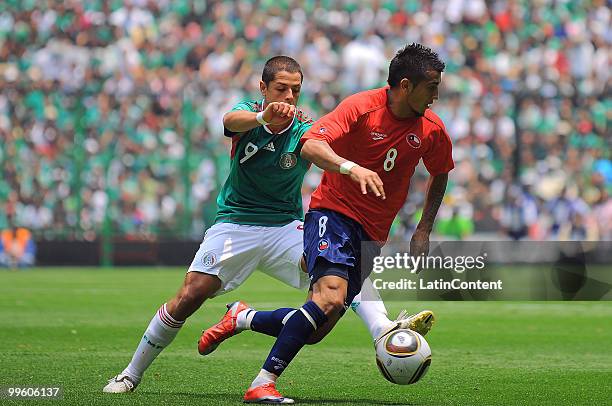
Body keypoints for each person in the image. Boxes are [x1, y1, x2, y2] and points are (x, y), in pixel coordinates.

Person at [103, 55, 433, 394]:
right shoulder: (248, 114)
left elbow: (322, 146)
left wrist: (355, 165)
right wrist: (263, 116)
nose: (289, 98)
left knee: (333, 287)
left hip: (285, 228)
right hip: (235, 224)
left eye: (296, 91)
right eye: (281, 89)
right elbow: (229, 121)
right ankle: (130, 374)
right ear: (263, 88)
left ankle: (381, 327)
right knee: (190, 295)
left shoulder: (305, 130)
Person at [205, 43, 454, 404]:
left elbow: (441, 172)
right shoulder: (361, 107)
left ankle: (243, 317)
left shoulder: (431, 129)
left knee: (318, 326)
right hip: (332, 214)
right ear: (405, 85)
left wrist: (424, 228)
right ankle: (262, 383)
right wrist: (350, 168)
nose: (436, 94)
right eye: (431, 86)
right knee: (330, 298)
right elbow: (309, 144)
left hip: (372, 234)